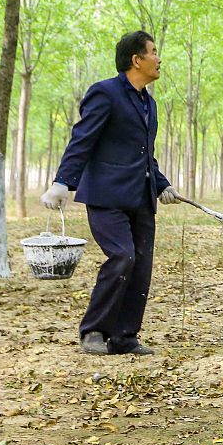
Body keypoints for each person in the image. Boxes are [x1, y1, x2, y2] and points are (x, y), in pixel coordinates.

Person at [42, 30, 179, 356]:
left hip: (141, 198)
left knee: (141, 267)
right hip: (107, 197)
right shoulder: (105, 93)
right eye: (154, 52)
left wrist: (162, 184)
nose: (159, 59)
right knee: (122, 257)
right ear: (137, 60)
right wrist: (63, 181)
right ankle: (94, 331)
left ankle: (124, 337)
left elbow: (144, 152)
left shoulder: (150, 103)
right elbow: (83, 139)